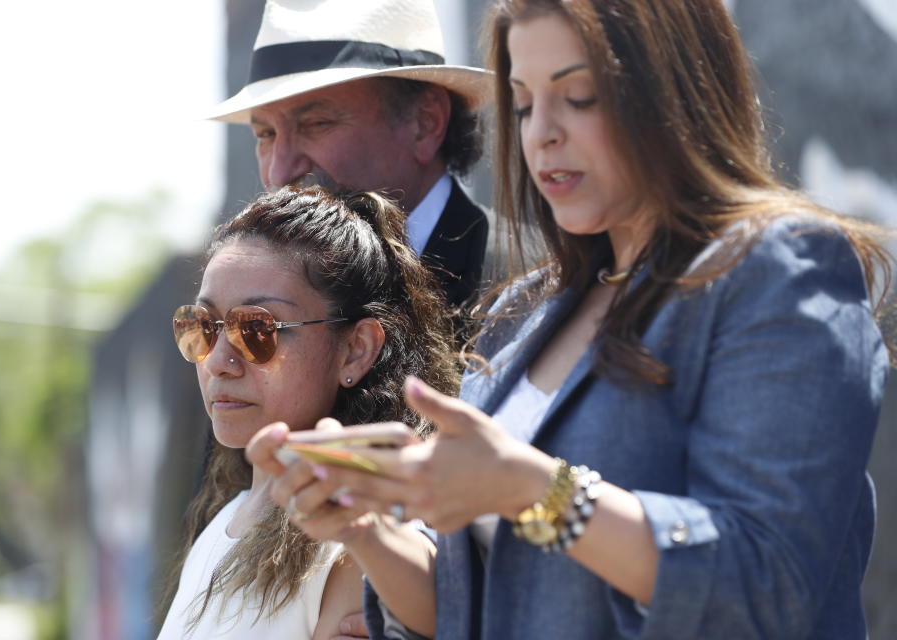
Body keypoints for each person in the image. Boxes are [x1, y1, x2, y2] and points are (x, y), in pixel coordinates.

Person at [246, 1, 894, 638]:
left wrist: (535, 490)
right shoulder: (523, 311)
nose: (542, 132)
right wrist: (370, 528)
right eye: (524, 105)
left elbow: (769, 585)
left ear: (674, 92)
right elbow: (470, 610)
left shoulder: (778, 270)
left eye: (577, 96)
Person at [156, 186, 459, 639]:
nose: (219, 360)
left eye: (257, 329)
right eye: (201, 326)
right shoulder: (220, 523)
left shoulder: (365, 541)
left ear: (356, 350)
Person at [207, 0, 493, 315]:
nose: (279, 172)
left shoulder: (525, 286)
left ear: (425, 123)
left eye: (316, 124)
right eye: (266, 135)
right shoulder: (259, 301)